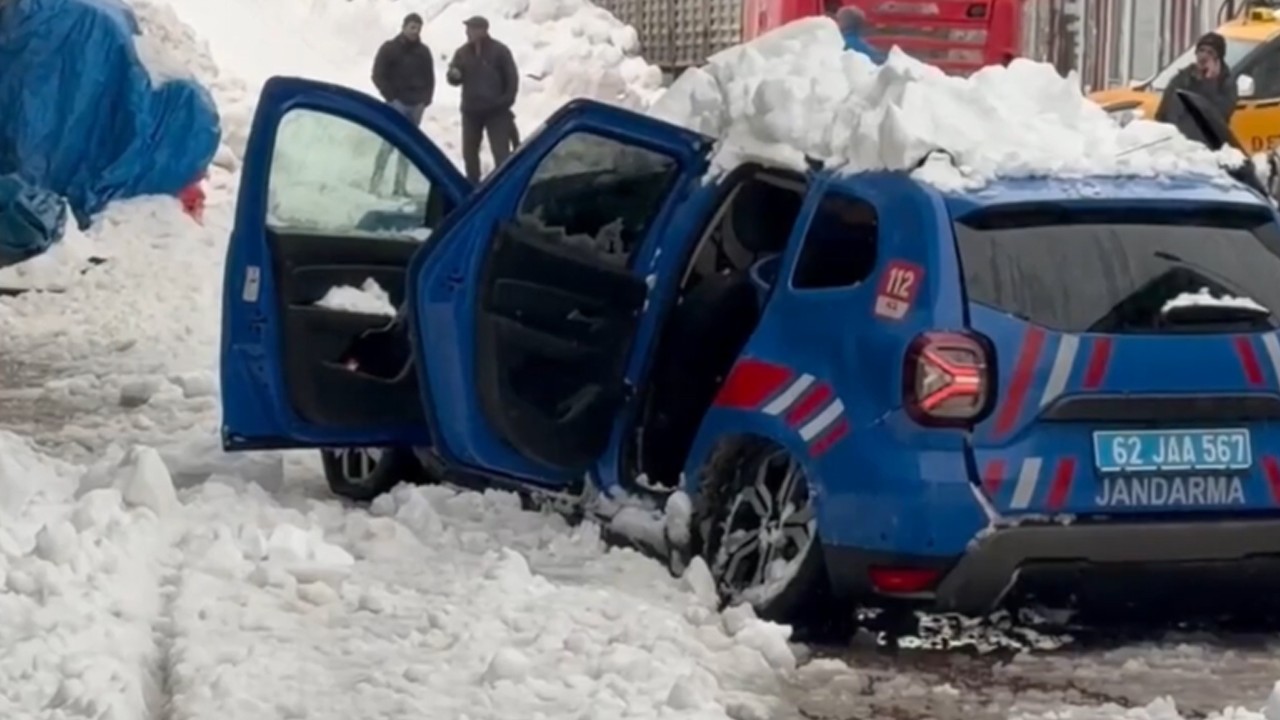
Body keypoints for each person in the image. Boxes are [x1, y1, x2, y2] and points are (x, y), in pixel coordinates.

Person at [446, 16, 520, 183]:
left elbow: (512, 79)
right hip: (471, 111)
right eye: (467, 29)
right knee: (469, 154)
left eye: (471, 29)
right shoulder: (462, 52)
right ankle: (473, 187)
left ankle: (505, 184)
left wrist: (505, 102)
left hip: (496, 112)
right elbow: (453, 77)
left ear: (484, 30)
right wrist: (454, 76)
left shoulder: (500, 51)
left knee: (501, 153)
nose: (467, 32)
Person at [370, 13, 436, 196]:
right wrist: (390, 97)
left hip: (417, 105)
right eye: (412, 27)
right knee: (388, 143)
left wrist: (426, 100)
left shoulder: (424, 52)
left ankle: (399, 186)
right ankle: (375, 183)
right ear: (404, 26)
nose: (415, 31)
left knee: (409, 148)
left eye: (418, 28)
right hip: (397, 103)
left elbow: (430, 77)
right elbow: (377, 74)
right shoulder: (390, 48)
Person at [1154, 32, 1238, 145]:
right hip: (1177, 141)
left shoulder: (1226, 83)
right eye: (1201, 50)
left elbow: (1219, 116)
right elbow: (1163, 111)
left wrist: (1209, 81)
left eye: (1210, 52)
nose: (1204, 56)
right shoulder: (1183, 77)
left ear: (1218, 58)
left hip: (1206, 145)